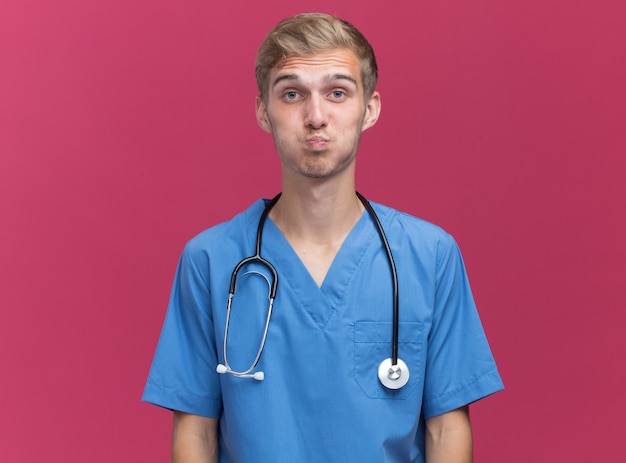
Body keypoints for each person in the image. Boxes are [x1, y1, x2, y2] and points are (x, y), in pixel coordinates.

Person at [143, 12, 503, 463]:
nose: (315, 116)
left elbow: (447, 429)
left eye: (337, 93)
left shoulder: (430, 256)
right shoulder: (211, 260)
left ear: (369, 109)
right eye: (292, 94)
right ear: (263, 111)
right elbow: (195, 434)